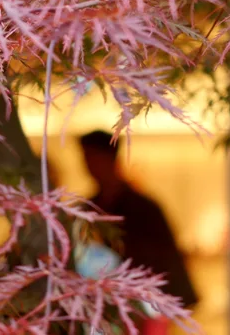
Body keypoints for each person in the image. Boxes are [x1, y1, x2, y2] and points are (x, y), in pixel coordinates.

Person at [78, 130, 199, 335]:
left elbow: (164, 260)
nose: (88, 166)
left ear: (108, 158)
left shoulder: (143, 209)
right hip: (102, 308)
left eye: (92, 158)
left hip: (143, 307)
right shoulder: (89, 208)